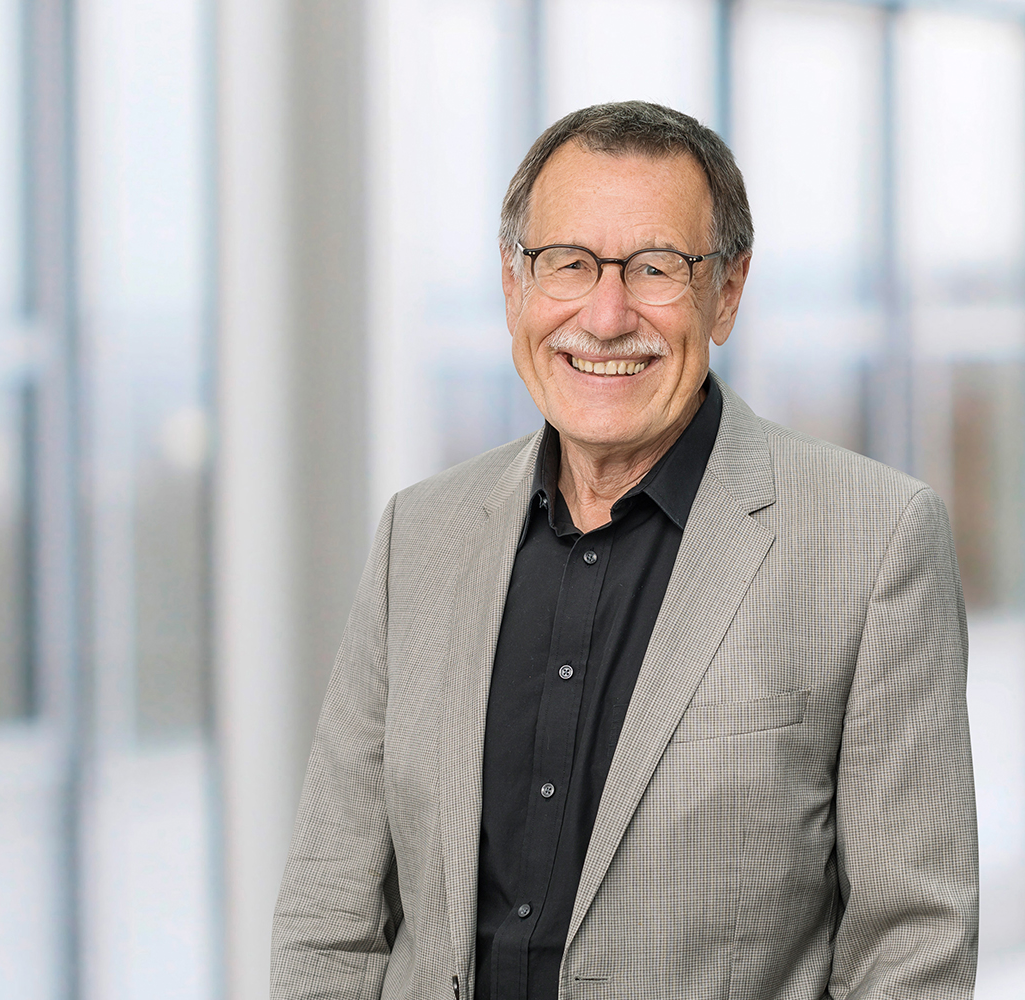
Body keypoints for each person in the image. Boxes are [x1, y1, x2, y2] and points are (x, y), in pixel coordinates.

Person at [272, 100, 977, 1000]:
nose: (606, 317)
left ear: (727, 291)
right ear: (514, 286)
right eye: (567, 263)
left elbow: (913, 946)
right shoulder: (421, 534)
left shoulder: (874, 543)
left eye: (655, 268)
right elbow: (330, 917)